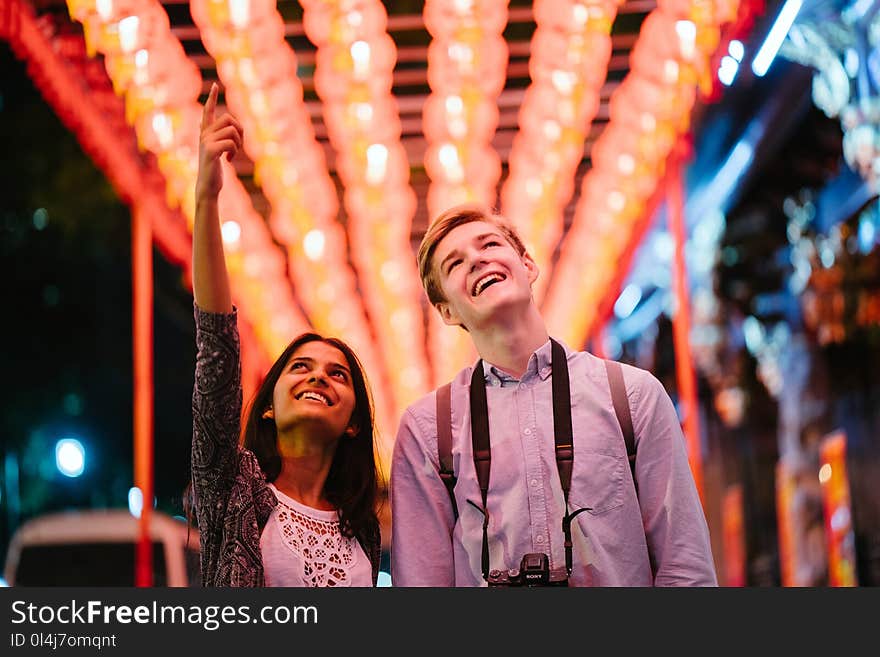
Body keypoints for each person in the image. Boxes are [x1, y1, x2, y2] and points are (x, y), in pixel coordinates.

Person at [390, 203, 717, 586]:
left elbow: (686, 566)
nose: (477, 260)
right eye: (455, 264)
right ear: (446, 312)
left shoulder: (631, 396)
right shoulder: (428, 429)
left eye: (489, 244)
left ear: (528, 265)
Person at [190, 83, 381, 587]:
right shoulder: (231, 491)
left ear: (354, 422)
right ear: (269, 403)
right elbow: (216, 350)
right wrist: (207, 198)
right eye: (301, 366)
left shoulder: (363, 532)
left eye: (337, 374)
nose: (318, 377)